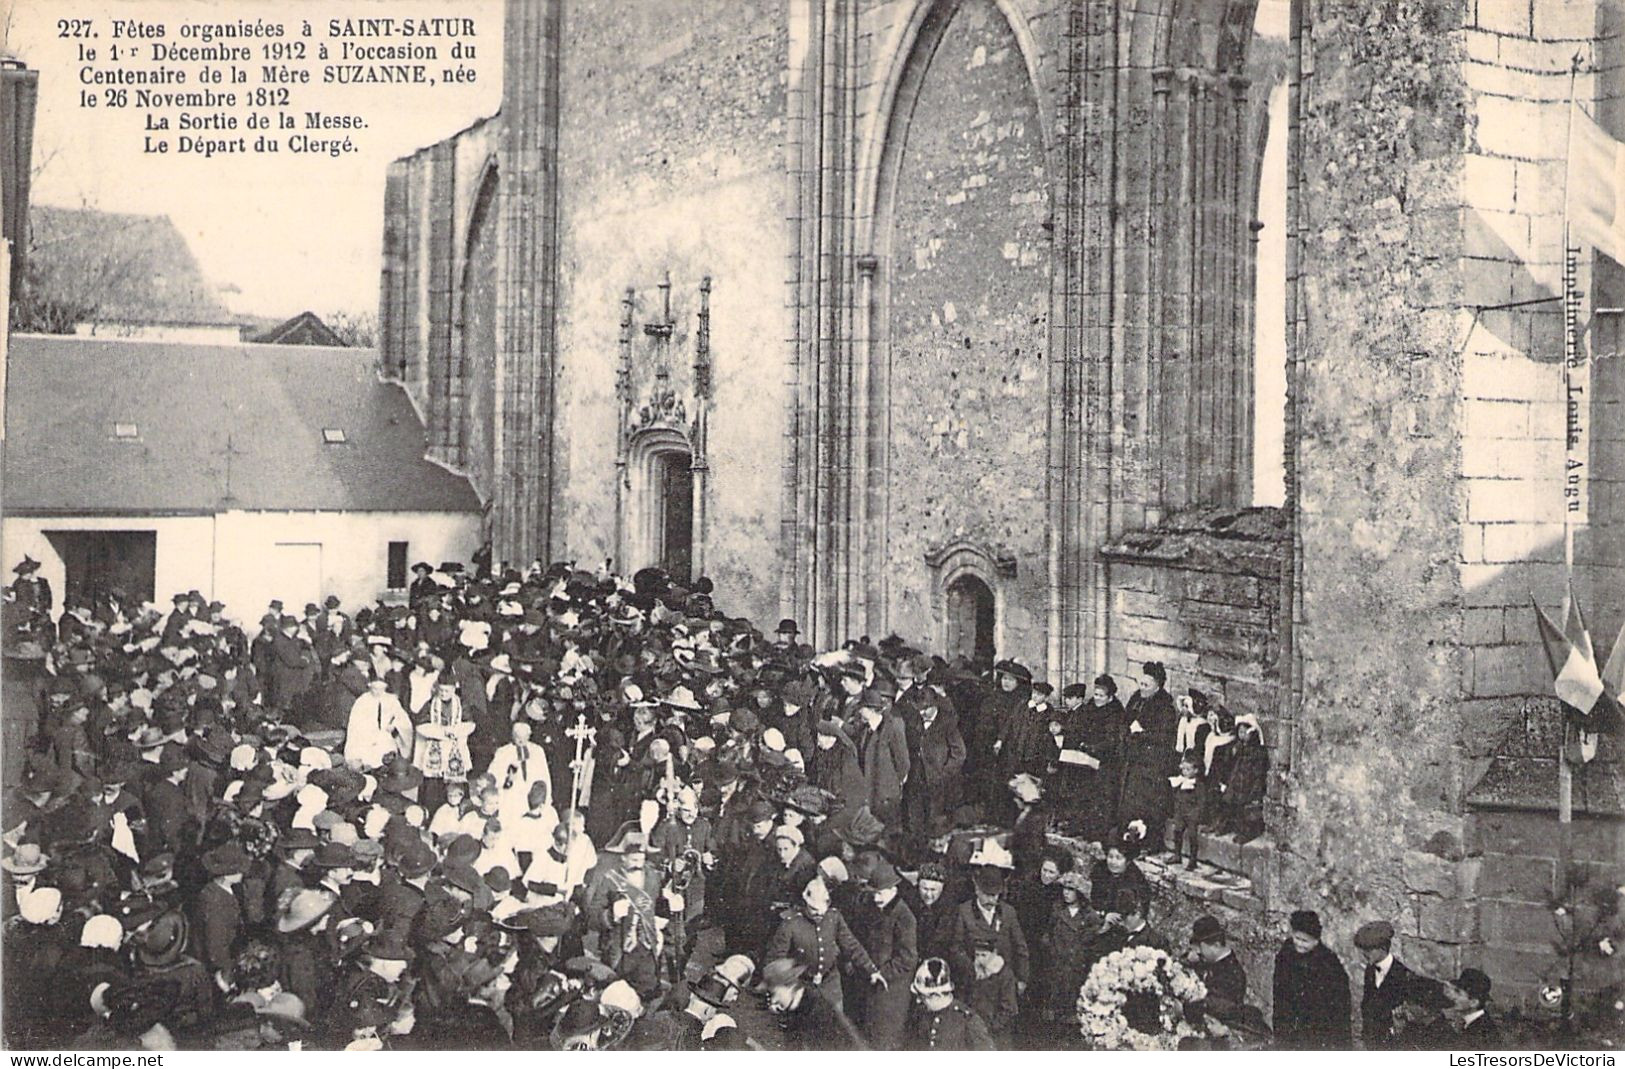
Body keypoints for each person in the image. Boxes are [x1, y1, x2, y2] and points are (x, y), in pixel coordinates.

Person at [765, 876, 885, 1013]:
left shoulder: (834, 917)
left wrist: (871, 970)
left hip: (831, 987)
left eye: (823, 908)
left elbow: (851, 945)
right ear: (805, 902)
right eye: (814, 909)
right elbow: (774, 960)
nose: (820, 913)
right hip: (802, 988)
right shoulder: (790, 923)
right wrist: (778, 992)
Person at [1355, 919, 1443, 1049]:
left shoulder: (1403, 976)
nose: (1364, 954)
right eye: (1363, 949)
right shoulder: (1370, 970)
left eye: (1369, 950)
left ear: (1383, 948)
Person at [1271, 909, 1353, 1049]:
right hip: (1289, 1023)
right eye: (1297, 938)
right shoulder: (1286, 953)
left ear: (1316, 941)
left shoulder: (1329, 963)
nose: (1300, 944)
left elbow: (1339, 1007)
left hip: (1318, 1028)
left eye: (1305, 941)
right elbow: (1279, 991)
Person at [857, 861, 917, 1049]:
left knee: (886, 1040)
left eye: (880, 893)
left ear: (894, 890)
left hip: (892, 990)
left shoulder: (904, 917)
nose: (876, 898)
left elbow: (908, 958)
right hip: (873, 982)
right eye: (874, 893)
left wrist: (883, 973)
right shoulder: (873, 907)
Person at [762, 957, 867, 1050]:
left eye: (774, 993)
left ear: (790, 987)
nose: (773, 1001)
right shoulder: (796, 1007)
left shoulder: (818, 1012)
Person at [908, 957, 995, 1050]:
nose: (918, 1000)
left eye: (923, 996)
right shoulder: (920, 1015)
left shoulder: (968, 1021)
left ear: (937, 995)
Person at [1186, 915, 1248, 1025]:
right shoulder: (1211, 961)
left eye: (1201, 948)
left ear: (1216, 945)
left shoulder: (1231, 974)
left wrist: (1185, 1009)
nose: (1198, 952)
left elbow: (1213, 1006)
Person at [343, 673, 412, 770]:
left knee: (388, 756)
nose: (378, 692)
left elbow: (403, 718)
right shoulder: (361, 701)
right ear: (369, 686)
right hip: (365, 736)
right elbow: (354, 725)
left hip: (385, 736)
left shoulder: (391, 700)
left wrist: (394, 725)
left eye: (381, 689)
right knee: (365, 756)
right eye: (375, 688)